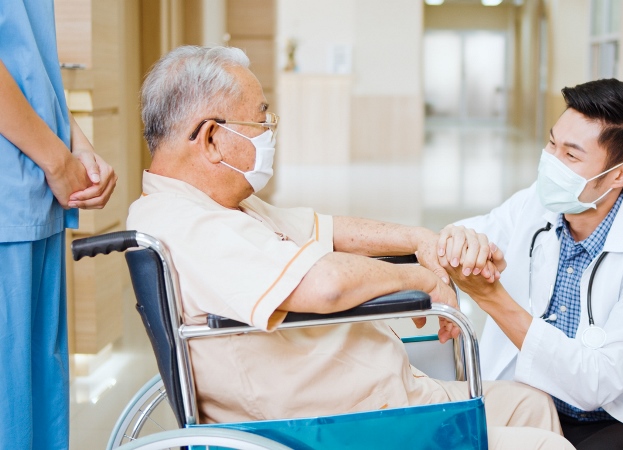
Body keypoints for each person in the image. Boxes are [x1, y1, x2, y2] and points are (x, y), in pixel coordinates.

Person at [128, 45, 573, 450]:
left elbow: (329, 229)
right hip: (334, 425)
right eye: (260, 120)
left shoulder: (221, 204)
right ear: (210, 138)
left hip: (383, 394)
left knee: (532, 405)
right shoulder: (188, 224)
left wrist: (421, 239)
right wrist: (418, 278)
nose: (269, 132)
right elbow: (325, 286)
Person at [437, 79, 623, 450]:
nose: (551, 162)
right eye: (551, 144)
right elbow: (467, 234)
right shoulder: (534, 204)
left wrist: (492, 298)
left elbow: (598, 383)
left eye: (571, 155)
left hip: (617, 418)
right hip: (528, 397)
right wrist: (456, 250)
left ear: (621, 174)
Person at [0, 1, 117, 448]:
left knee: (36, 407)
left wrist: (75, 146)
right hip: (16, 191)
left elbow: (29, 61)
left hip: (33, 194)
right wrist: (55, 158)